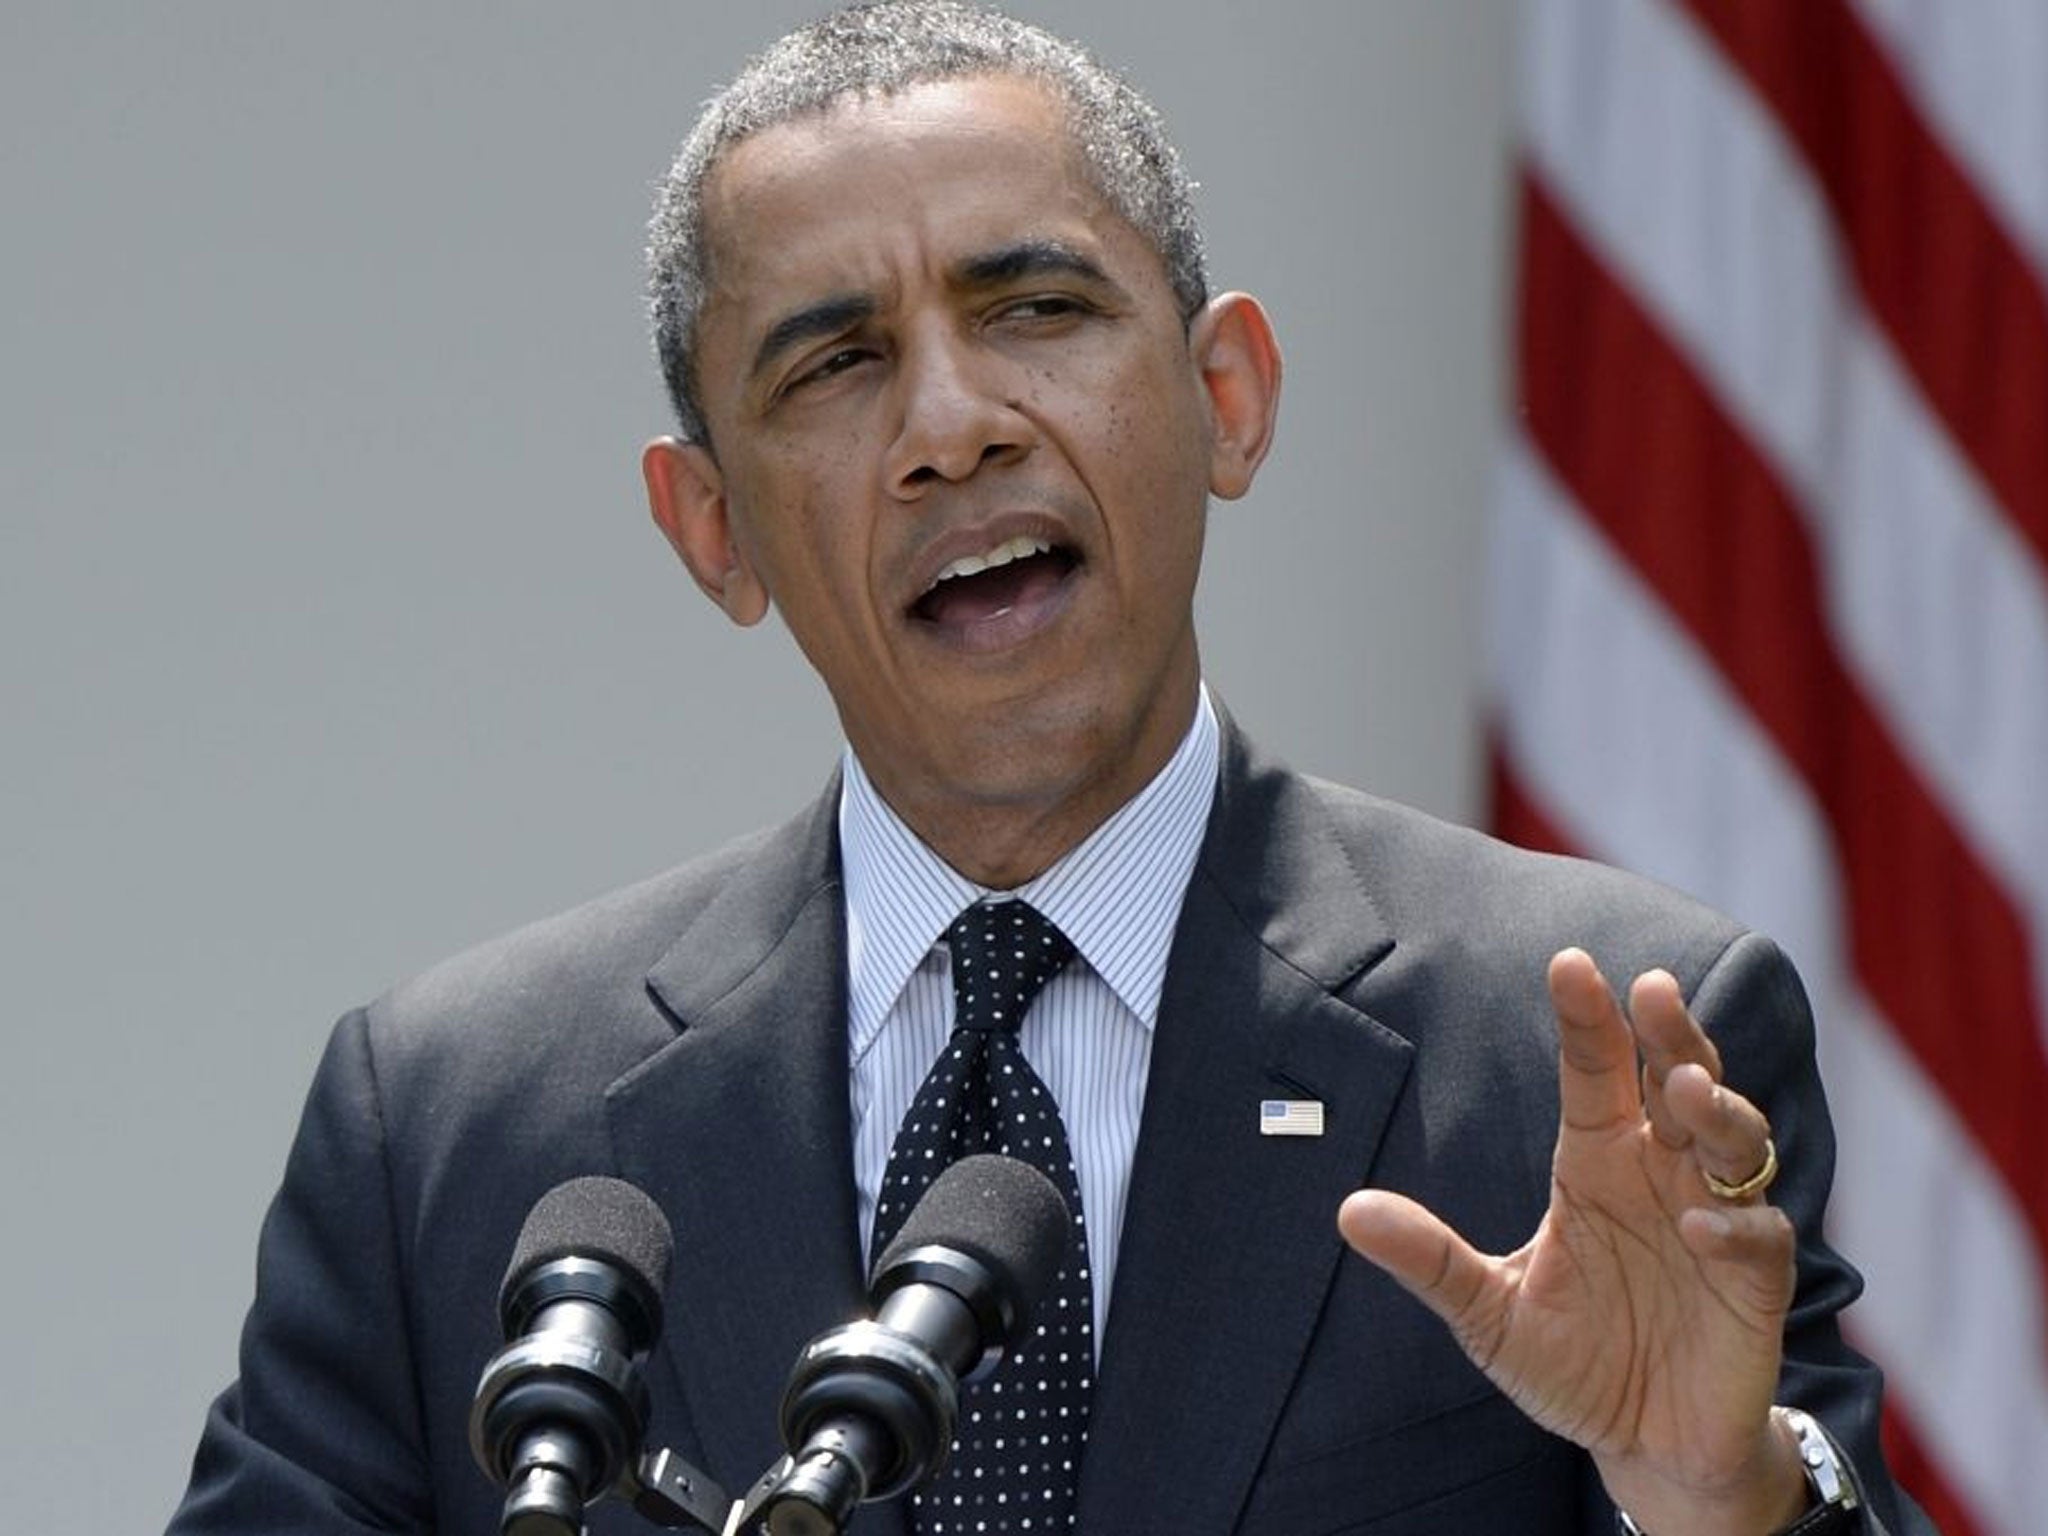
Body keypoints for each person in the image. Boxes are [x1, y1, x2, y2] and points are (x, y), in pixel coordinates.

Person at [168, 5, 1934, 1533]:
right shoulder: (456, 1127)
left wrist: (1716, 1505)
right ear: (713, 530)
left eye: (1036, 311)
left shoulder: (1581, 1066)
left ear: (1228, 394)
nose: (953, 427)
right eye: (839, 363)